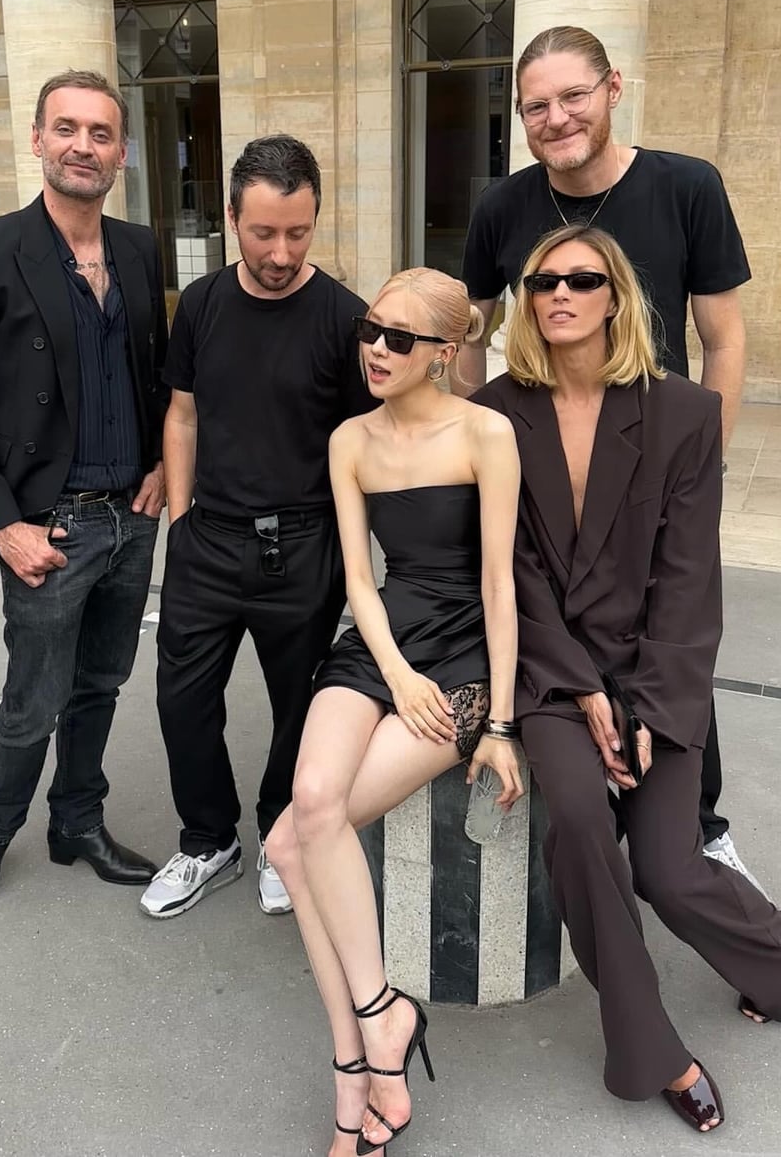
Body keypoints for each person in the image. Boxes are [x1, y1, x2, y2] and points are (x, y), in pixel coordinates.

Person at [473, 224, 781, 1132]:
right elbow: (511, 571)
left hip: (657, 670)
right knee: (580, 820)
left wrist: (651, 711)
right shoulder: (495, 411)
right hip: (552, 671)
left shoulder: (683, 413)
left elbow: (688, 582)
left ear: (616, 298)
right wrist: (583, 689)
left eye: (581, 279)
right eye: (542, 281)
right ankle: (650, 1047)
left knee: (669, 868)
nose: (559, 293)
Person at [458, 24, 754, 885]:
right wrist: (475, 437)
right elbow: (472, 329)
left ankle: (698, 823)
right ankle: (595, 802)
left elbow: (724, 338)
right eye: (535, 106)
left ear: (613, 88)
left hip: (655, 459)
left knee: (672, 626)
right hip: (551, 451)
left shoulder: (686, 186)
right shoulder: (503, 207)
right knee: (559, 617)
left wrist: (703, 462)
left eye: (573, 96)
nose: (556, 118)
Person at [265, 267, 523, 1157]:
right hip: (383, 646)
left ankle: (358, 1075)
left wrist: (499, 721)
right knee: (306, 805)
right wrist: (396, 673)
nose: (376, 348)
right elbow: (360, 579)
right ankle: (379, 1023)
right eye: (370, 329)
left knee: (292, 842)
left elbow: (500, 585)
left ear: (444, 353)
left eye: (399, 338)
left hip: (463, 658)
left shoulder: (486, 432)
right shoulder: (351, 439)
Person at [0, 70, 168, 919]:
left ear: (122, 153)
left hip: (130, 518)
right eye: (66, 128)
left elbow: (153, 375)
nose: (83, 146)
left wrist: (162, 465)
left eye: (101, 133)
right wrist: (3, 526)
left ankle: (77, 823)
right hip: (48, 526)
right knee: (33, 699)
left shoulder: (138, 248)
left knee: (101, 683)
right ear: (37, 139)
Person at [141, 136, 375, 920]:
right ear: (232, 217)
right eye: (264, 232)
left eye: (298, 232)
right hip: (206, 538)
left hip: (303, 545)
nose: (281, 253)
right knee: (182, 700)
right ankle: (209, 839)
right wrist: (181, 520)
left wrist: (351, 556)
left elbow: (363, 445)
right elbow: (181, 414)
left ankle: (282, 834)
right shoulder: (202, 303)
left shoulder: (344, 317)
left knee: (298, 709)